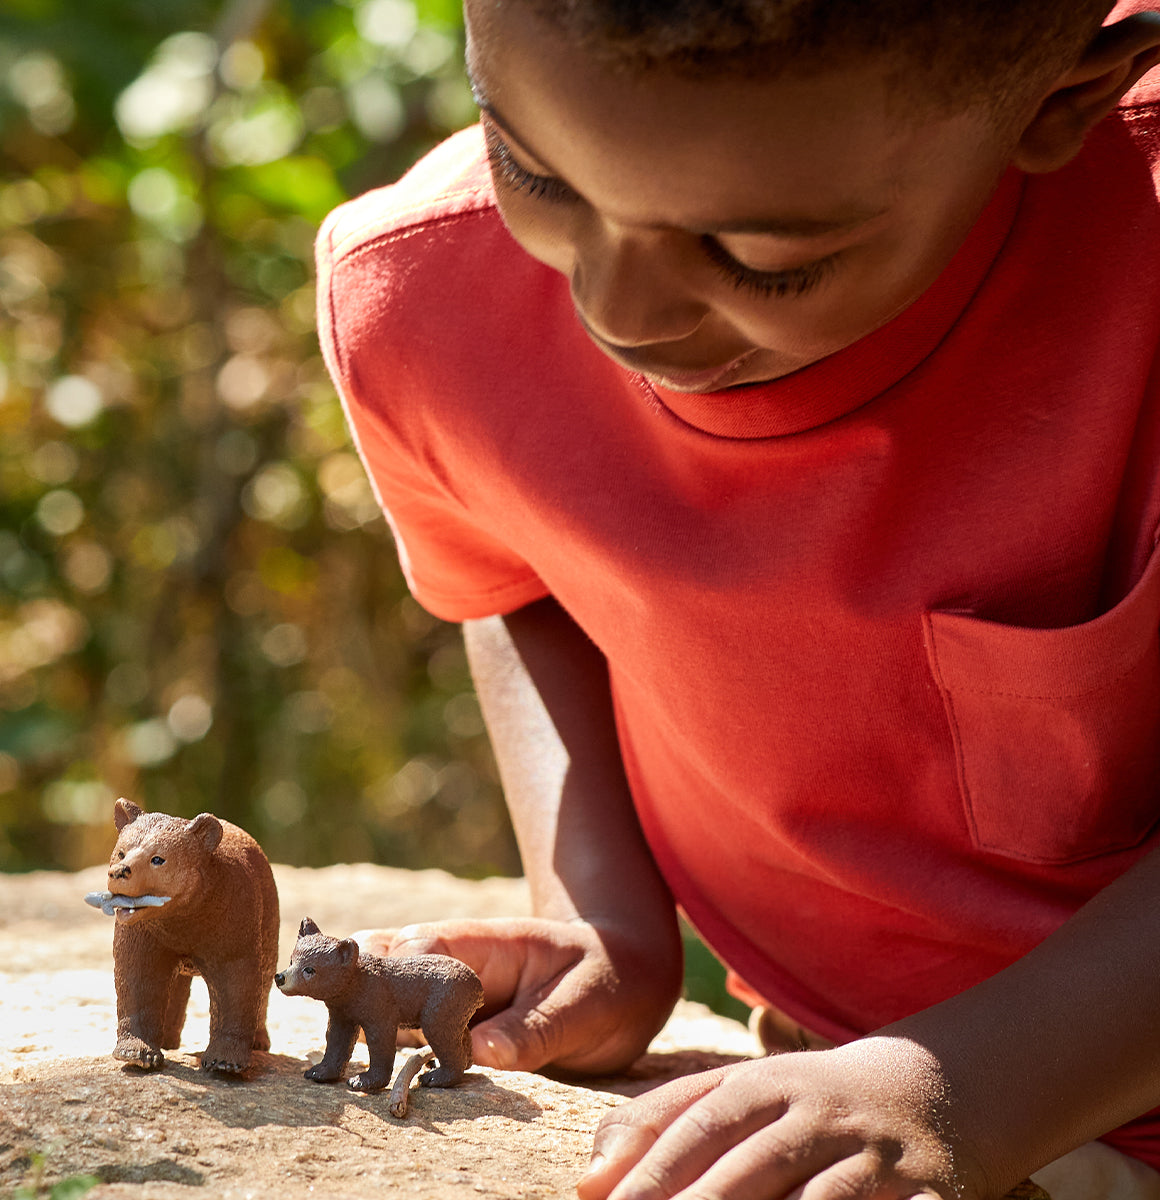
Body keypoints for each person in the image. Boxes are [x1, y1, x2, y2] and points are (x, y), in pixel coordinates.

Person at [315, 0, 1160, 1195]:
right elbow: (519, 569)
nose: (620, 309)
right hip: (850, 1089)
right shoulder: (429, 298)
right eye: (533, 170)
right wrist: (602, 914)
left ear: (1067, 97)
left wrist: (963, 1083)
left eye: (761, 256)